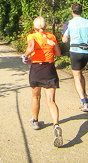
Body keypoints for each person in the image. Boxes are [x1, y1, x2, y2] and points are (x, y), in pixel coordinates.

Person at [23, 16, 63, 147]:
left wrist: (26, 55)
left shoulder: (32, 36)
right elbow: (57, 53)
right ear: (45, 27)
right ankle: (56, 126)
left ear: (34, 27)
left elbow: (31, 47)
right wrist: (51, 44)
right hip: (49, 68)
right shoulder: (51, 36)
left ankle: (35, 121)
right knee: (51, 101)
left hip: (37, 68)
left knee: (36, 97)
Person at [62, 3, 88, 112]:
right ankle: (84, 93)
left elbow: (64, 39)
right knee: (80, 72)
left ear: (72, 11)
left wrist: (66, 39)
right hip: (86, 51)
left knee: (76, 76)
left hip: (75, 52)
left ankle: (83, 102)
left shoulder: (69, 23)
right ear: (81, 11)